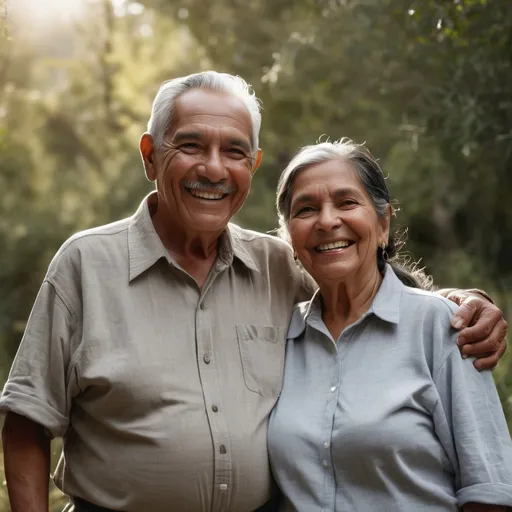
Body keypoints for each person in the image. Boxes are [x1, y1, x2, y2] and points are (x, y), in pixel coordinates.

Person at [0, 72, 507, 512]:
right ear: (151, 156)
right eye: (192, 145)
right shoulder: (86, 264)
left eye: (234, 151)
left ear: (253, 166)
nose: (214, 169)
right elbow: (27, 422)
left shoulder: (278, 266)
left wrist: (461, 300)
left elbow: (368, 288)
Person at [268, 139, 512, 512]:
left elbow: (490, 492)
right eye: (306, 209)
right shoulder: (283, 338)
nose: (327, 220)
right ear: (290, 239)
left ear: (382, 224)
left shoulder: (442, 327)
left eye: (347, 203)